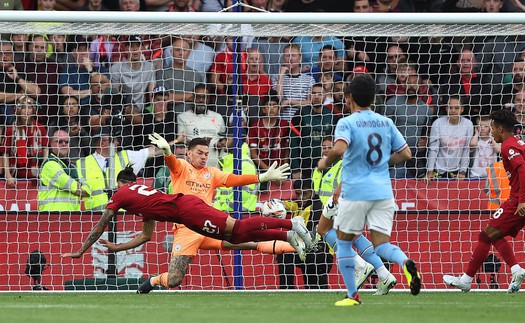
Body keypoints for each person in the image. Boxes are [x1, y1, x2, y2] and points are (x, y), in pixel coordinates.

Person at [133, 133, 313, 293]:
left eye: (206, 154)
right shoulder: (181, 167)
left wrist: (262, 177)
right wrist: (167, 152)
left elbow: (234, 179)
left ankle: (298, 241)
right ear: (189, 153)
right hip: (186, 230)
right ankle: (153, 280)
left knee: (249, 241)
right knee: (174, 280)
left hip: (209, 226)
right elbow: (172, 162)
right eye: (199, 153)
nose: (204, 157)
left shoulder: (211, 173)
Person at [61, 166, 309, 274]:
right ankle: (286, 234)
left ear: (120, 184)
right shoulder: (143, 199)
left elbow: (101, 224)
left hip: (187, 211)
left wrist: (81, 251)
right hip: (187, 213)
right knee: (238, 236)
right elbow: (146, 236)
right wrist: (116, 247)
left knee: (240, 229)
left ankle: (291, 224)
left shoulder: (121, 194)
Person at [317, 74, 421, 306]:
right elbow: (406, 154)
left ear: (349, 98)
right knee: (382, 244)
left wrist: (325, 162)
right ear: (373, 98)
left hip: (355, 191)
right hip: (383, 191)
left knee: (343, 243)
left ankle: (353, 295)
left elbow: (340, 148)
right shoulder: (386, 122)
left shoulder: (347, 122)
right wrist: (383, 162)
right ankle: (405, 263)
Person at [443, 109, 525, 293]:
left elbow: (522, 169)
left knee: (486, 235)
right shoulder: (518, 142)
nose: (492, 132)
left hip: (518, 200)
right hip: (519, 197)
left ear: (500, 128)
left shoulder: (507, 147)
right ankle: (516, 269)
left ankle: (466, 279)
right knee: (494, 233)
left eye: (493, 128)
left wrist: (521, 200)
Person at [76, 129, 162, 211]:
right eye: (114, 140)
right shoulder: (81, 164)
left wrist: (171, 144)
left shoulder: (125, 156)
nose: (117, 142)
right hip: (94, 217)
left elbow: (152, 152)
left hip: (122, 217)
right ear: (102, 143)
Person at [276, 179, 334, 289]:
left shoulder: (318, 207)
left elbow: (310, 234)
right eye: (298, 194)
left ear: (312, 192)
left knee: (315, 285)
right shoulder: (298, 206)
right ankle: (286, 289)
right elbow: (284, 203)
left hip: (321, 253)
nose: (301, 197)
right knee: (283, 254)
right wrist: (273, 203)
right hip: (305, 250)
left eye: (305, 194)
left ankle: (291, 288)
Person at [38, 130, 90, 211]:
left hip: (72, 216)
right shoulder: (49, 164)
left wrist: (76, 188)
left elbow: (88, 190)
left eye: (66, 142)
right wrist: (78, 187)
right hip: (51, 217)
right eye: (60, 141)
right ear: (52, 144)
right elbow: (69, 185)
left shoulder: (72, 167)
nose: (64, 144)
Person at [424, 95, 473, 181]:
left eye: (456, 108)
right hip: (438, 169)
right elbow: (433, 149)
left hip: (457, 171)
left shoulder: (468, 124)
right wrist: (430, 171)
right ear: (446, 109)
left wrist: (462, 172)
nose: (453, 110)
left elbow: (466, 149)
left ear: (462, 109)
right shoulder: (437, 123)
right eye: (450, 107)